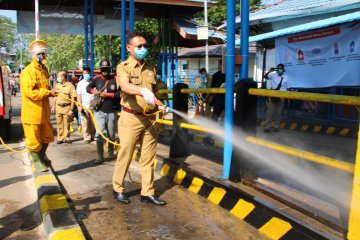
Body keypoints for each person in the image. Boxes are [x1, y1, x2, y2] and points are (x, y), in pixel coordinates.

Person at [112, 32, 166, 205]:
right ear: (129, 48)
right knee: (126, 154)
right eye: (139, 46)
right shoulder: (123, 67)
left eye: (145, 46)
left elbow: (156, 91)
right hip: (131, 118)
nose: (143, 49)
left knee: (149, 157)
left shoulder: (151, 68)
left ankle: (147, 192)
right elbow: (125, 86)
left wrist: (160, 105)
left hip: (150, 118)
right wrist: (142, 90)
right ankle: (118, 188)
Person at [20, 39, 56, 172]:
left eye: (45, 54)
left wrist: (52, 92)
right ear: (35, 55)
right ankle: (37, 161)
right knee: (33, 140)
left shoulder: (44, 70)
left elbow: (45, 87)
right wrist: (48, 92)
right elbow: (30, 92)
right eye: (41, 54)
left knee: (47, 136)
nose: (44, 56)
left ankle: (41, 156)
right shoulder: (27, 72)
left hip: (44, 112)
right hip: (32, 113)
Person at [86, 59, 121, 164]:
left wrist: (109, 95)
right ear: (100, 69)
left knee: (111, 133)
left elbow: (121, 93)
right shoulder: (96, 79)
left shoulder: (116, 79)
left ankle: (110, 153)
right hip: (99, 110)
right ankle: (100, 156)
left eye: (107, 69)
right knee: (100, 132)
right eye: (103, 69)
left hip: (112, 111)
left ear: (110, 69)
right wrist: (93, 91)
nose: (105, 71)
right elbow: (88, 88)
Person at [52, 71, 77, 144]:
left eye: (59, 76)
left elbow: (73, 98)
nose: (58, 78)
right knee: (59, 123)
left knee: (67, 123)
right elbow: (55, 97)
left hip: (67, 107)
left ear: (63, 77)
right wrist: (53, 106)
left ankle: (67, 138)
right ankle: (60, 138)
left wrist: (72, 109)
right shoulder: (57, 85)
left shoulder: (70, 86)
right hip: (58, 107)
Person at [263, 63, 289, 133]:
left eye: (281, 69)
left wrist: (288, 98)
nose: (279, 70)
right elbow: (264, 76)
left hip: (282, 97)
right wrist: (269, 71)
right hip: (273, 97)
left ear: (283, 70)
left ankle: (276, 126)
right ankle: (267, 127)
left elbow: (287, 88)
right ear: (277, 69)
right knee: (270, 112)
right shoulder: (273, 75)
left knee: (279, 113)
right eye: (278, 68)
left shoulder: (286, 77)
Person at [77, 67, 95, 143]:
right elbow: (79, 95)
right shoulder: (80, 83)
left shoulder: (94, 82)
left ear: (90, 73)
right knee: (85, 123)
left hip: (93, 105)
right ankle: (87, 137)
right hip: (84, 106)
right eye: (84, 74)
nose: (85, 75)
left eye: (87, 73)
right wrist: (79, 106)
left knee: (93, 122)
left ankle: (93, 136)